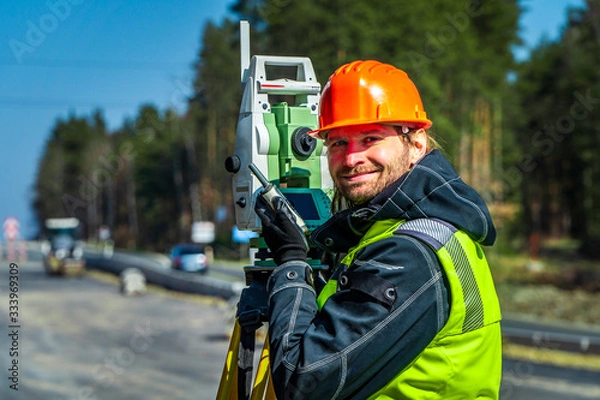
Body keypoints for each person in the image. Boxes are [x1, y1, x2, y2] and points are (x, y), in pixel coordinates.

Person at [255, 60, 502, 399]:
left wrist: (291, 265)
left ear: (416, 143)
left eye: (370, 138)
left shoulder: (410, 254)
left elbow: (303, 381)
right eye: (338, 143)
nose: (351, 158)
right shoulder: (391, 230)